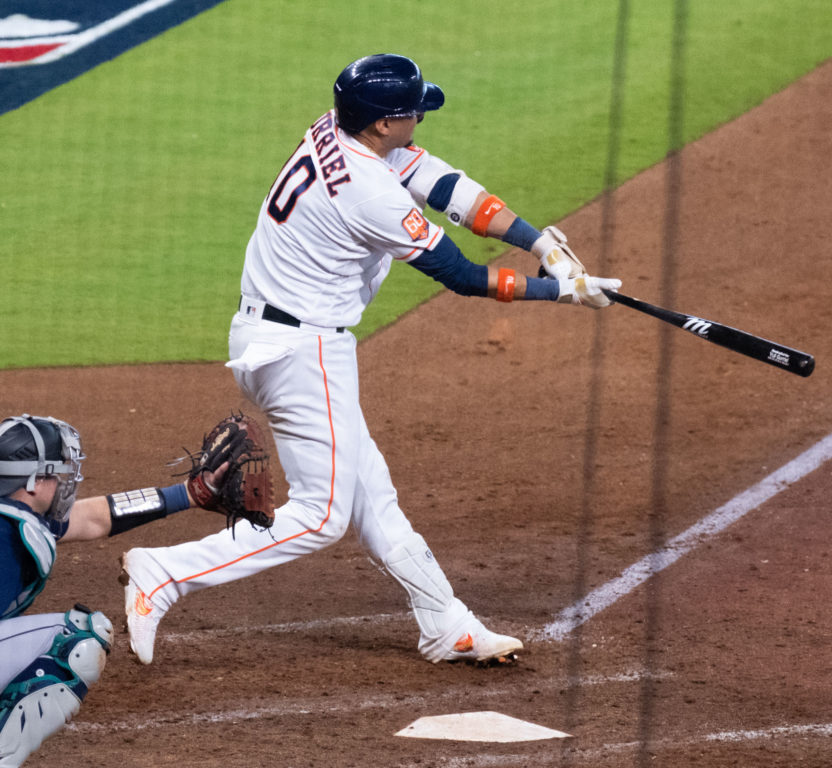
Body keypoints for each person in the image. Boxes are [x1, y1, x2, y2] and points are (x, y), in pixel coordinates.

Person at [119, 53, 622, 667]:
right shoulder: (368, 192)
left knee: (372, 496)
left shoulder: (338, 128)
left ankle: (447, 625)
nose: (421, 119)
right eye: (413, 112)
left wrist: (540, 242)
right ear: (384, 123)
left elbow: (442, 185)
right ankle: (165, 573)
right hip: (301, 351)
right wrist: (562, 291)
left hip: (279, 335)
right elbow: (463, 277)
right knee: (322, 516)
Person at [0, 414, 233, 767]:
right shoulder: (8, 538)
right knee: (75, 640)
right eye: (57, 472)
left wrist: (189, 493)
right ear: (33, 481)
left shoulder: (15, 516)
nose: (64, 481)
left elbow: (95, 517)